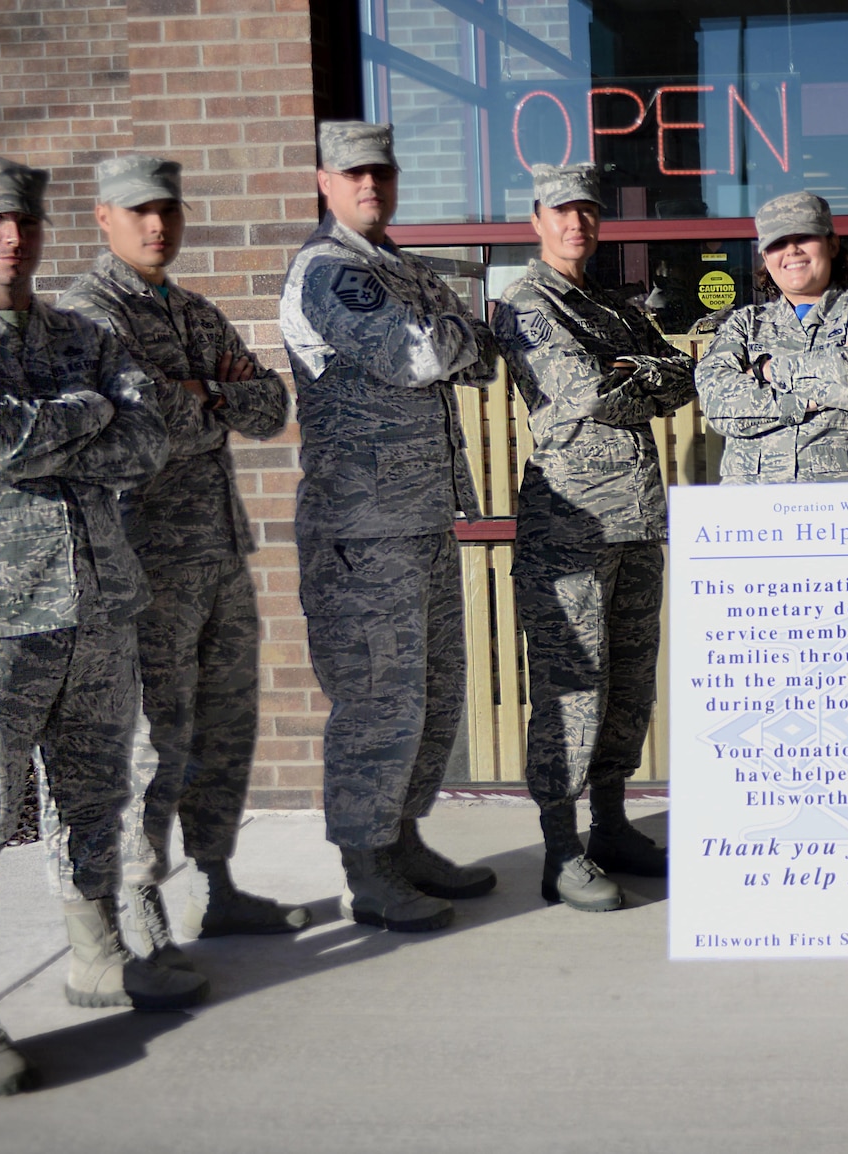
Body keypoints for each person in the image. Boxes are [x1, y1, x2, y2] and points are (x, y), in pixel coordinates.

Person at [0, 154, 204, 1096]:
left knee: (95, 797)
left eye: (23, 223)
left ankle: (96, 954)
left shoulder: (80, 335)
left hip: (97, 610)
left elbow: (151, 443)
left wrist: (61, 421)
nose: (10, 238)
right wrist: (93, 412)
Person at [58, 155, 306, 969]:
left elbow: (270, 406)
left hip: (220, 552)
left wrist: (195, 392)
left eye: (166, 208)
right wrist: (207, 396)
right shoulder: (90, 316)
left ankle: (219, 883)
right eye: (137, 211)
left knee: (224, 729)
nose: (156, 224)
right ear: (103, 217)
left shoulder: (192, 310)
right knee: (156, 740)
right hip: (147, 563)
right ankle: (140, 898)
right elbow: (144, 423)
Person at [279, 121, 499, 933]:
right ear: (325, 183)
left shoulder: (395, 268)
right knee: (378, 700)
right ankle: (366, 867)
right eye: (353, 173)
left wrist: (455, 335)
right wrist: (457, 328)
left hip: (420, 520)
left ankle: (402, 838)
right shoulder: (330, 272)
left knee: (434, 696)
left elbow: (475, 359)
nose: (370, 184)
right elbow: (419, 355)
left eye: (381, 171)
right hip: (361, 530)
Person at [490, 163, 696, 912]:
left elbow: (684, 378)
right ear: (536, 220)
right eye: (561, 212)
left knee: (629, 682)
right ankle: (560, 848)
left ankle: (610, 825)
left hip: (636, 520)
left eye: (588, 212)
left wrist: (640, 369)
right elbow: (589, 394)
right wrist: (644, 375)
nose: (577, 224)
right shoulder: (524, 303)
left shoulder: (610, 304)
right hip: (570, 526)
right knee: (573, 690)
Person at [694, 191, 848, 483]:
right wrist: (808, 399)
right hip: (756, 508)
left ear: (832, 244)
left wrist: (765, 370)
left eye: (804, 237)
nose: (792, 250)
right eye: (777, 243)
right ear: (765, 257)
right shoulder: (744, 324)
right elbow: (719, 407)